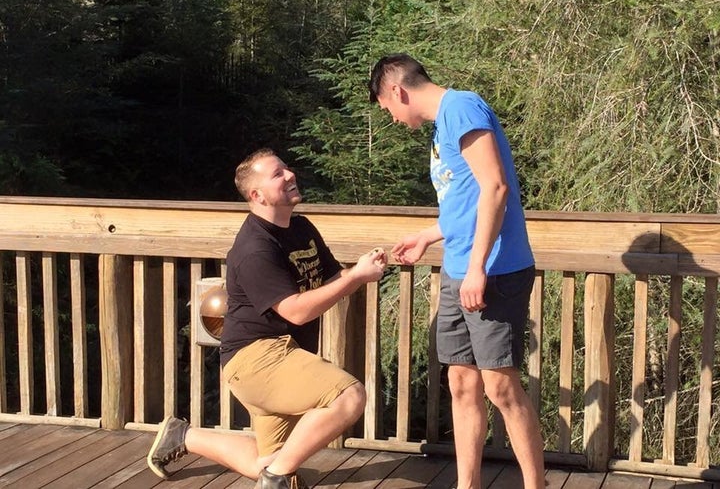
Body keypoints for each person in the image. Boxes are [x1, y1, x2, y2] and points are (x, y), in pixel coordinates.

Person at [147, 148, 388, 489]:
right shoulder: (254, 248)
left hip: (283, 355)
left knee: (267, 460)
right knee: (348, 396)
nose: (290, 175)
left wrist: (364, 268)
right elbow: (296, 310)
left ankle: (182, 436)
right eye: (278, 174)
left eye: (287, 169)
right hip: (256, 359)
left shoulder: (300, 227)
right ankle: (275, 482)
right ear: (256, 195)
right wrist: (356, 277)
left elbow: (333, 279)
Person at [369, 53, 545, 489]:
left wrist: (477, 268)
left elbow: (496, 186)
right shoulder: (442, 126)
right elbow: (466, 200)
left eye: (386, 107)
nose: (391, 117)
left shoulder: (461, 107)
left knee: (500, 387)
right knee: (462, 382)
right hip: (460, 269)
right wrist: (431, 234)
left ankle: (536, 485)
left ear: (397, 90)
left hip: (492, 270)